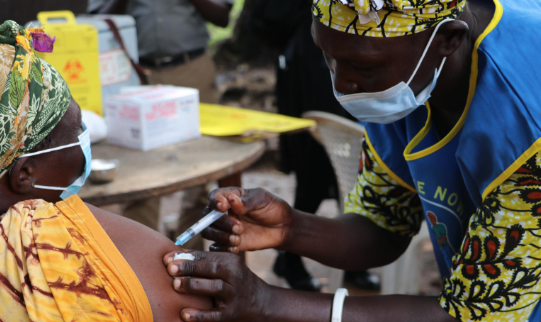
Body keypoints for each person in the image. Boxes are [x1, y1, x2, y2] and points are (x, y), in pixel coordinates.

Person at [161, 0, 541, 321]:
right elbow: (383, 227)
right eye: (328, 58)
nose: (342, 85)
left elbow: (475, 315)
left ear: (447, 40)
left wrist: (267, 302)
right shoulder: (409, 78)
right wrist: (290, 228)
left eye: (364, 67)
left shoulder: (529, 117)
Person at [0, 21, 211, 321]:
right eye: (76, 130)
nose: (84, 138)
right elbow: (201, 307)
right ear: (25, 174)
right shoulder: (60, 243)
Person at [250, 0, 379, 291]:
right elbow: (265, 20)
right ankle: (290, 259)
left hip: (355, 52)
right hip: (310, 72)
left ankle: (354, 260)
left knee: (357, 173)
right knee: (315, 169)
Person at [88, 0, 234, 250]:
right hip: (138, 74)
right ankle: (142, 264)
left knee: (200, 172)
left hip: (192, 69)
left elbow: (222, 16)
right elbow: (95, 20)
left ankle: (190, 258)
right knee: (140, 178)